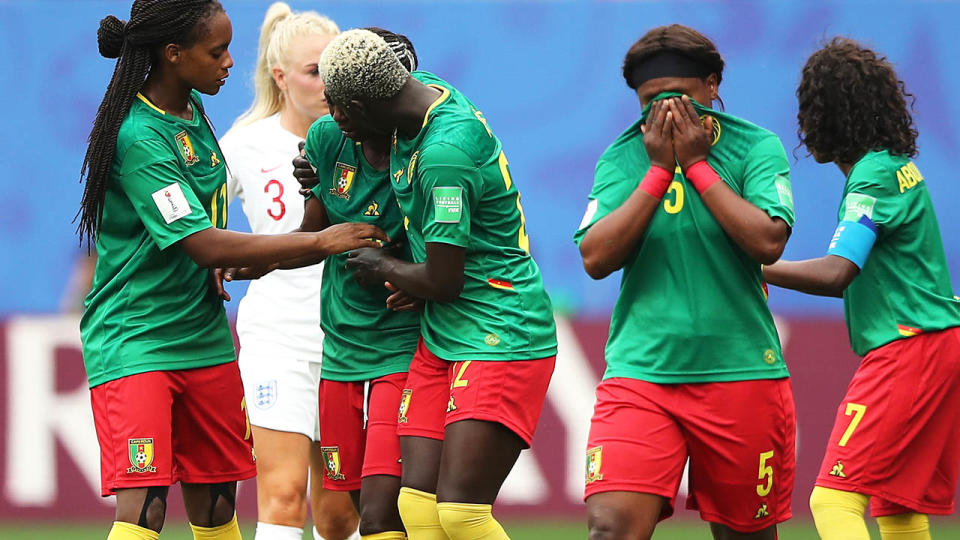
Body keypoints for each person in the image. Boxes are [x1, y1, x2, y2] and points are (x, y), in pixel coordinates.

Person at [76, 3, 386, 539]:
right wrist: (319, 240)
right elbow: (199, 241)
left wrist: (229, 262)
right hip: (139, 337)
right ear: (173, 55)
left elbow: (200, 222)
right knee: (147, 508)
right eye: (216, 52)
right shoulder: (138, 137)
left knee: (219, 504)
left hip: (205, 336)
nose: (229, 64)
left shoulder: (192, 109)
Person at [316, 29, 558, 540]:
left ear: (363, 104)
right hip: (442, 335)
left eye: (339, 111)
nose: (335, 123)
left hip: (498, 329)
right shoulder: (413, 93)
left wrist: (383, 266)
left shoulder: (445, 153)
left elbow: (443, 280)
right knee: (417, 510)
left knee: (460, 515)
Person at [574, 24, 797, 540]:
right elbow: (595, 257)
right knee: (610, 530)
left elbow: (767, 242)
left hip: (741, 374)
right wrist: (658, 171)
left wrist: (695, 164)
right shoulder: (624, 156)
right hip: (642, 374)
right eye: (652, 99)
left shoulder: (754, 147)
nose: (667, 110)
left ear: (712, 84)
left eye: (681, 95)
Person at [763, 38, 960, 540]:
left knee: (832, 500)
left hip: (909, 347)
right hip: (938, 341)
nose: (804, 125)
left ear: (825, 116)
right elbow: (848, 278)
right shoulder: (896, 168)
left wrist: (754, 267)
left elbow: (837, 273)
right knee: (896, 508)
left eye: (809, 110)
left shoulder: (872, 178)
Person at [217, 4, 359, 540]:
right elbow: (191, 225)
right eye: (313, 71)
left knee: (341, 515)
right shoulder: (244, 145)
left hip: (350, 341)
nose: (328, 83)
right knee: (281, 494)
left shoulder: (366, 142)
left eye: (336, 68)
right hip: (277, 338)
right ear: (281, 77)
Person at [295, 28, 422, 540]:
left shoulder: (424, 149)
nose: (338, 113)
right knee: (348, 503)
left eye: (349, 102)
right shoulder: (326, 139)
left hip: (403, 347)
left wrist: (400, 265)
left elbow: (449, 246)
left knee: (379, 509)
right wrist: (250, 260)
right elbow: (312, 233)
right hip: (341, 348)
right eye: (334, 101)